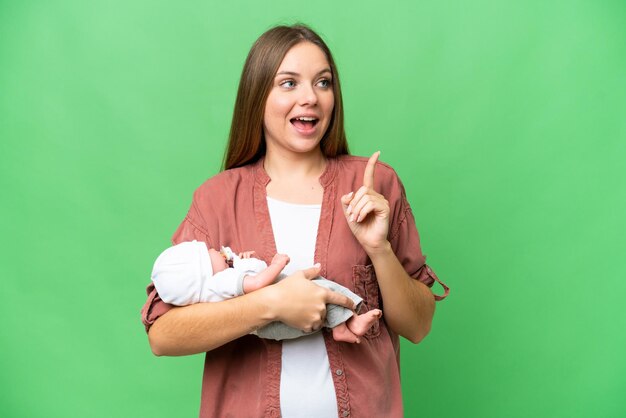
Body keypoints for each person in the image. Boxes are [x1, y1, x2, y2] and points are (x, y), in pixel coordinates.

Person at [141, 24, 449, 417]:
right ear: (258, 96)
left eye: (323, 82)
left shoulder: (374, 185)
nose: (310, 98)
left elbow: (418, 325)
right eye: (288, 83)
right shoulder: (217, 199)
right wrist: (269, 304)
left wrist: (379, 249)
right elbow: (163, 335)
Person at [150, 240, 382, 343]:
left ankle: (344, 326)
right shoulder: (220, 282)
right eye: (211, 253)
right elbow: (257, 284)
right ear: (204, 272)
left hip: (271, 326)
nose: (216, 249)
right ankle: (347, 325)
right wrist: (277, 264)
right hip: (274, 321)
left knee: (322, 293)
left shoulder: (216, 286)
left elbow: (244, 278)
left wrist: (242, 262)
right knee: (324, 290)